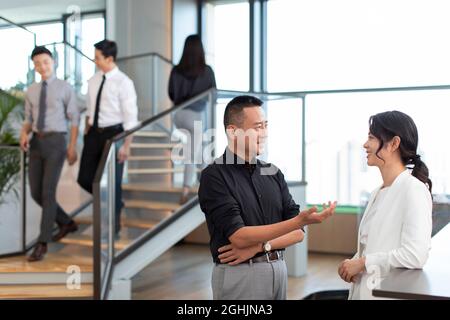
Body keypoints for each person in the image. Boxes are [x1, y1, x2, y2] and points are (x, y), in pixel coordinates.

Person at [198, 95, 336, 300]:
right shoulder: (215, 175)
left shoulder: (273, 172)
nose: (264, 133)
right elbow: (239, 236)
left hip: (278, 269)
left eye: (265, 126)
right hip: (240, 273)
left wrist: (261, 246)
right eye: (257, 127)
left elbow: (298, 233)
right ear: (233, 131)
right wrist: (297, 222)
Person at [338, 110, 433, 300]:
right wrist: (354, 262)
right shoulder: (377, 192)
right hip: (364, 291)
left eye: (371, 137)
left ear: (394, 143)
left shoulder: (413, 189)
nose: (365, 145)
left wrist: (363, 262)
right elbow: (374, 245)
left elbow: (415, 255)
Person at [20, 46, 80, 262]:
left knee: (47, 193)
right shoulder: (31, 90)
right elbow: (28, 119)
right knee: (36, 192)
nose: (41, 67)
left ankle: (42, 243)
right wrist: (23, 134)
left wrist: (71, 147)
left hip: (56, 142)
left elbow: (74, 119)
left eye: (45, 62)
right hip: (37, 142)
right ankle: (66, 222)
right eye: (37, 63)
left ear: (53, 61)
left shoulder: (65, 88)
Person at [77, 39, 138, 236]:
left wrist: (126, 146)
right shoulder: (93, 80)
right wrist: (87, 128)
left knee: (113, 181)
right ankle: (115, 202)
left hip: (115, 134)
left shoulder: (124, 83)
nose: (95, 61)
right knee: (85, 178)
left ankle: (114, 225)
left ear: (110, 58)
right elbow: (89, 108)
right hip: (94, 134)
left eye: (98, 58)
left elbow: (131, 118)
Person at [168, 34, 216, 204]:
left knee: (200, 146)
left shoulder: (176, 70)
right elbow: (213, 94)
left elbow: (171, 94)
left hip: (179, 116)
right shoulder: (206, 70)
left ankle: (207, 180)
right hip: (196, 116)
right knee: (192, 151)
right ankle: (186, 188)